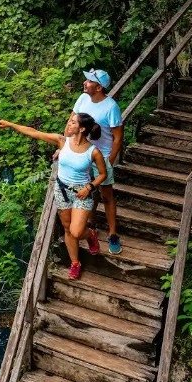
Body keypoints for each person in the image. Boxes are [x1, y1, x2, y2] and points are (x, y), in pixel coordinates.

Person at [0, 113, 107, 280]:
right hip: (61, 190)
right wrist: (11, 124)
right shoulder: (62, 141)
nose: (69, 124)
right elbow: (34, 132)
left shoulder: (93, 152)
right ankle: (75, 263)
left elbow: (102, 174)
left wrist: (89, 187)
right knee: (68, 228)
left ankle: (90, 235)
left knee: (76, 231)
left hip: (81, 193)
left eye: (73, 122)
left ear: (82, 128)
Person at [71, 68, 124, 255]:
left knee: (106, 196)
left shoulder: (111, 107)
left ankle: (113, 234)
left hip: (102, 156)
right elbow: (71, 123)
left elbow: (118, 137)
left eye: (89, 81)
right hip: (83, 154)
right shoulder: (83, 99)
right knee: (87, 192)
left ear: (99, 87)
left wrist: (109, 161)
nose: (85, 83)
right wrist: (66, 146)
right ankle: (91, 224)